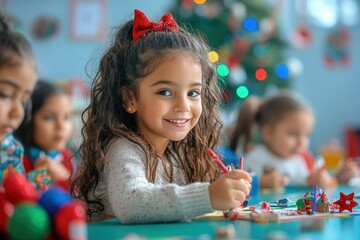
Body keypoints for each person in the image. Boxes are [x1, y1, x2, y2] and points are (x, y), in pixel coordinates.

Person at [71, 9, 252, 224]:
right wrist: (209, 196)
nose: (183, 105)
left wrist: (227, 189)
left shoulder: (179, 153)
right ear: (129, 99)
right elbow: (132, 203)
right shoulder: (123, 149)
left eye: (193, 93)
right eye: (165, 92)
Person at [228, 90, 358, 189]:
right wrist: (262, 182)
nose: (302, 142)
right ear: (268, 132)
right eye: (293, 134)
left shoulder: (300, 160)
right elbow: (241, 185)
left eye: (306, 135)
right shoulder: (256, 157)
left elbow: (312, 182)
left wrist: (334, 179)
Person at [15, 80, 74, 191]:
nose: (61, 126)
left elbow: (81, 198)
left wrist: (63, 179)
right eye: (49, 118)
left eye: (66, 117)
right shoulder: (17, 160)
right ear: (27, 120)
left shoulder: (67, 157)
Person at [0, 13, 37, 184]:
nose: (18, 112)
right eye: (5, 94)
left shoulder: (10, 150)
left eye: (24, 99)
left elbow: (17, 199)